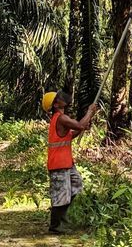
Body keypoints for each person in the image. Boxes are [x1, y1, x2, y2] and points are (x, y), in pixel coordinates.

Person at [42, 90, 98, 233]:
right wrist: (90, 112)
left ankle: (62, 218)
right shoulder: (60, 118)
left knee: (76, 185)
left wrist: (83, 125)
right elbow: (79, 125)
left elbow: (71, 134)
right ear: (55, 104)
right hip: (58, 164)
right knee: (61, 195)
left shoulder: (60, 118)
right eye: (58, 98)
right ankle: (55, 226)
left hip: (66, 163)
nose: (62, 97)